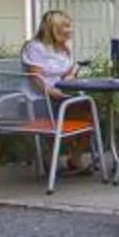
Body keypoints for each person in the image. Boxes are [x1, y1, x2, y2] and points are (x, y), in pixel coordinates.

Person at [17, 10, 91, 174]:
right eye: (66, 26)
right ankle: (50, 155)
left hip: (59, 98)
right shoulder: (35, 47)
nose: (70, 30)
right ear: (54, 28)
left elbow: (64, 74)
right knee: (75, 113)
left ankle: (74, 158)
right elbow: (35, 78)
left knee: (90, 111)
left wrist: (71, 76)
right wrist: (52, 92)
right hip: (37, 101)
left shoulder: (64, 49)